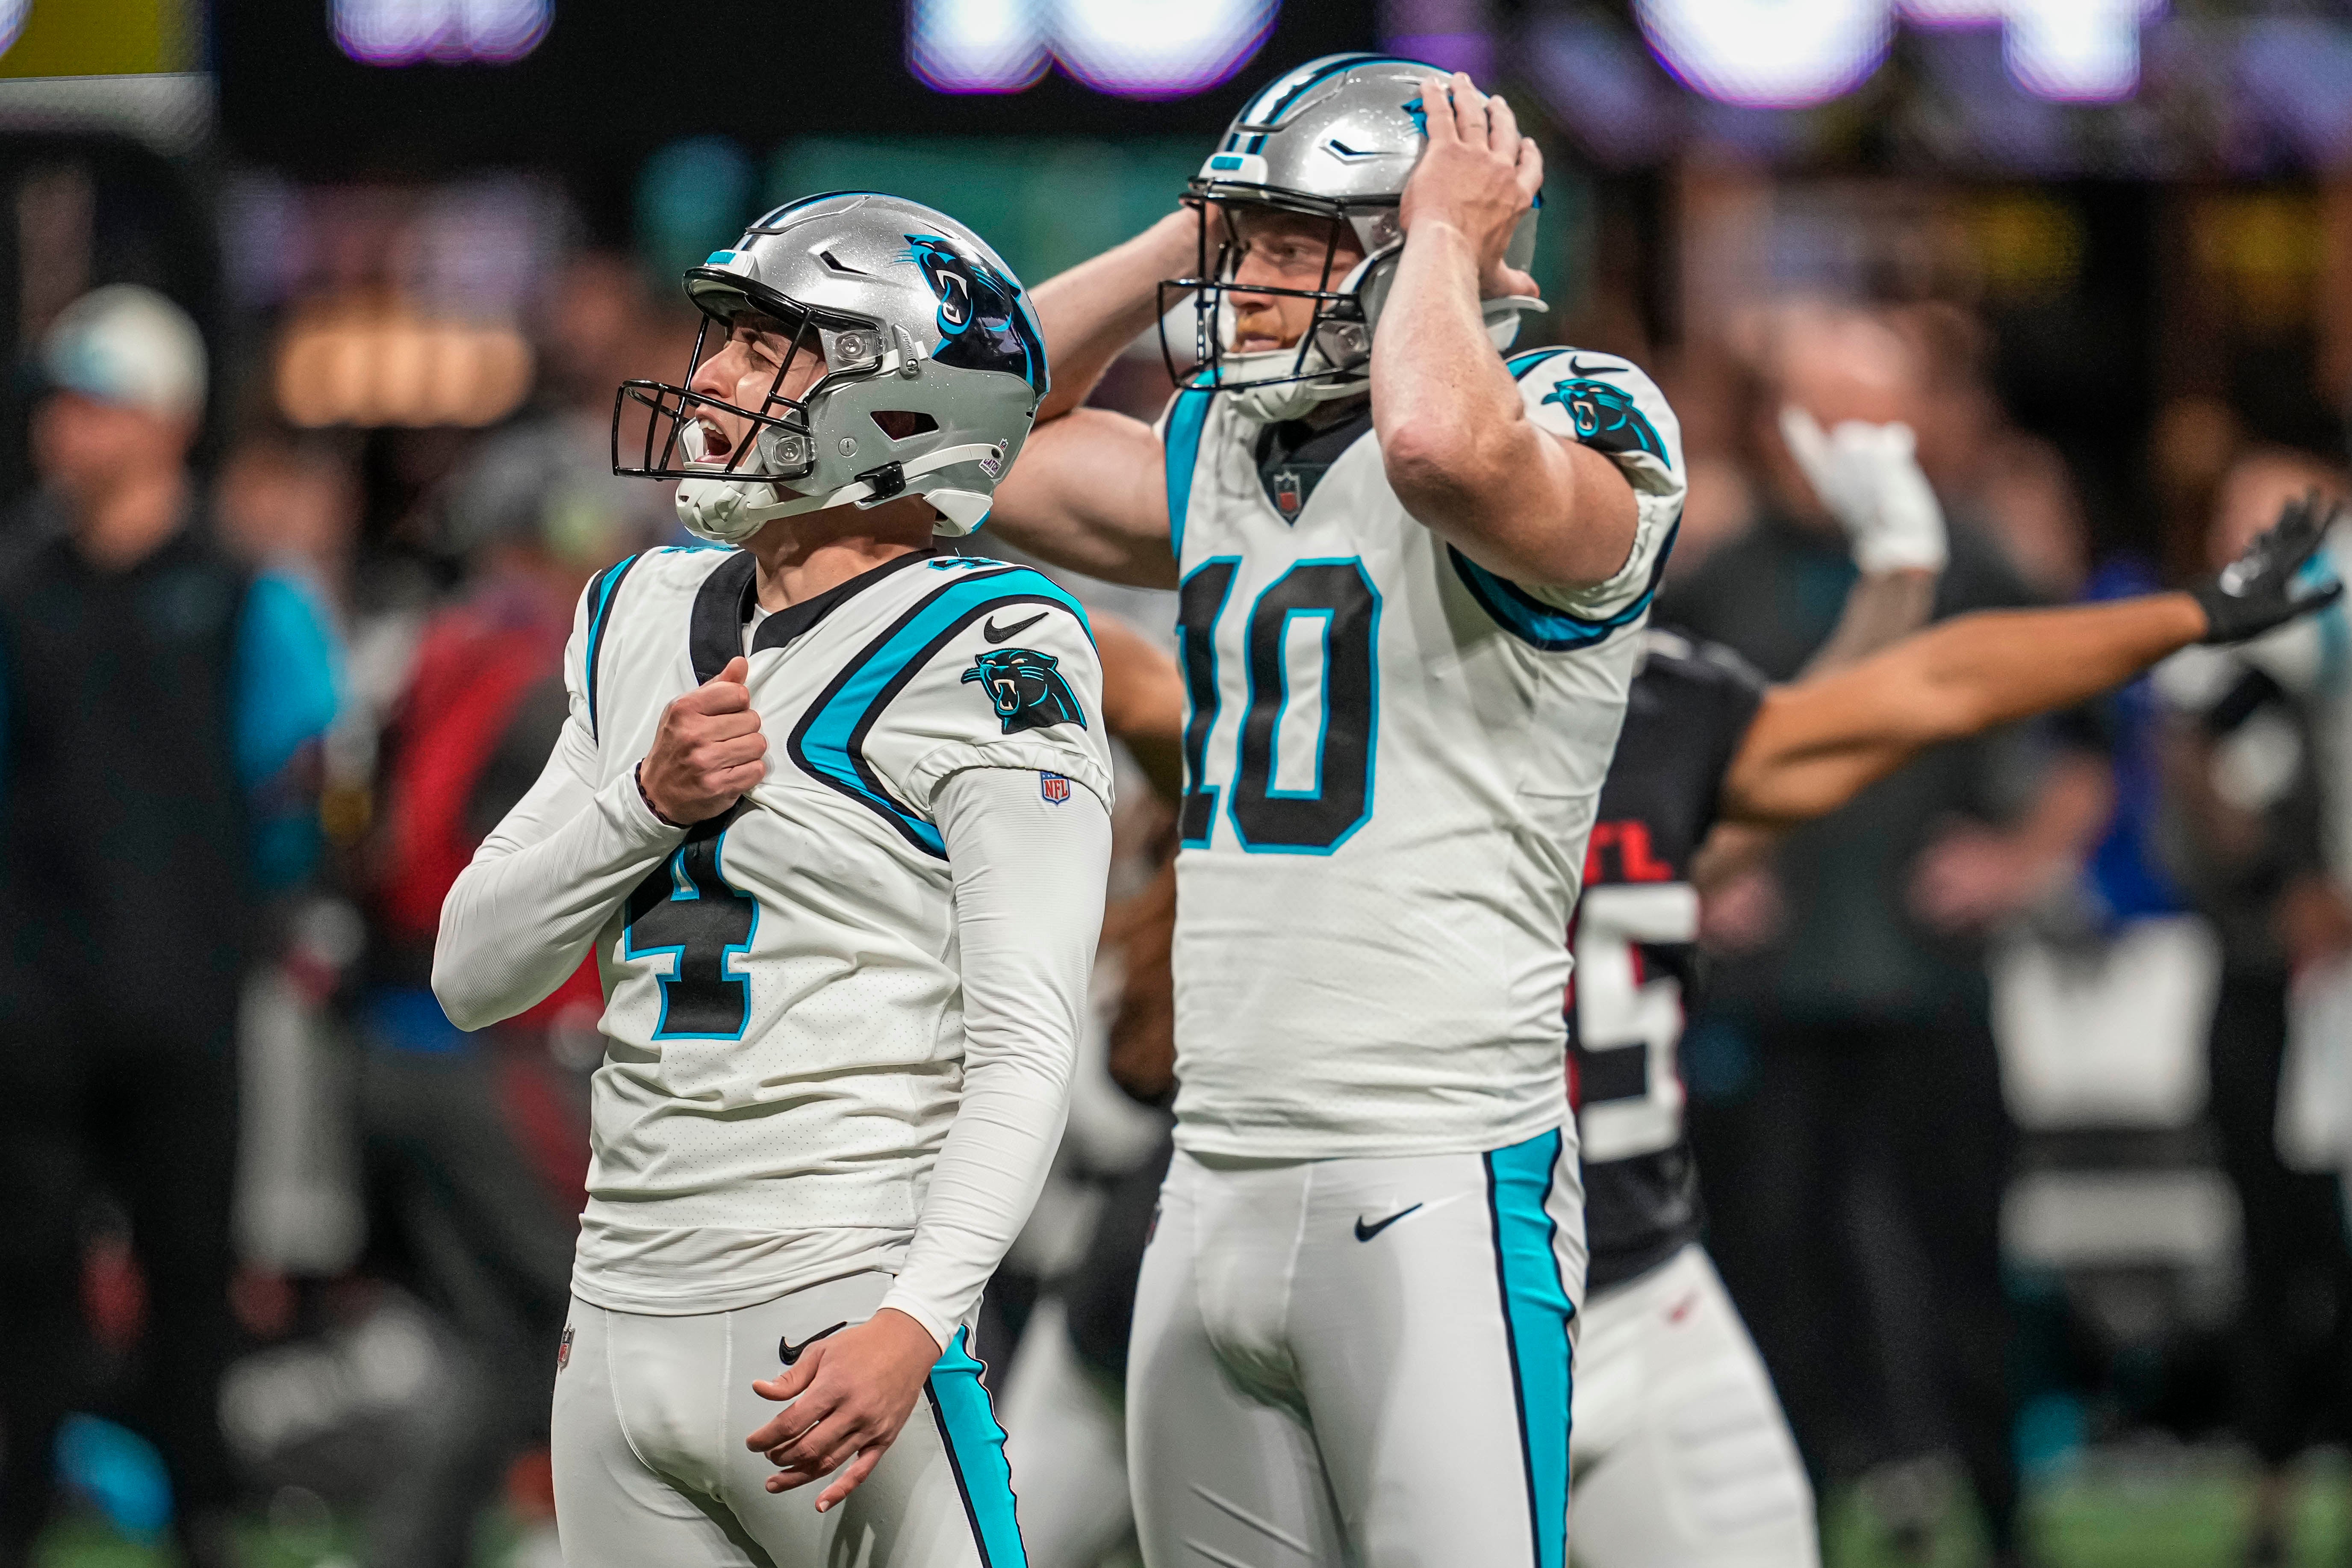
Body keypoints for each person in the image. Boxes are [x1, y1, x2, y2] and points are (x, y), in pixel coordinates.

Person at [1066, 481, 2340, 1568]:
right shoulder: (1375, 702)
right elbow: (1132, 654)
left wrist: (2179, 613)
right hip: (1419, 1247)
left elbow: (1929, 687)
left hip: (1635, 1271)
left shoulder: (1663, 706)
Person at [986, 53, 1685, 1567]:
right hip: (1212, 1171)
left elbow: (1439, 445)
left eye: (1295, 245)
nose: (1247, 288)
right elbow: (959, 443)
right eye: (1248, 244)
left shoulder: (1586, 413)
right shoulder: (1227, 450)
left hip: (1432, 1170)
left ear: (1410, 244)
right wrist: (1190, 236)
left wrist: (1445, 234)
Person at [432, 193, 1111, 1568]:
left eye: (765, 348)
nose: (709, 382)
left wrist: (919, 1314)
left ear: (899, 399)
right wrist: (643, 802)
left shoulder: (996, 646)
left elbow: (1031, 1035)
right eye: (722, 341)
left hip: (841, 1300)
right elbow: (470, 970)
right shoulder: (639, 609)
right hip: (617, 1315)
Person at [0, 285, 343, 1568]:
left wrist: (251, 929)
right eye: (62, 407)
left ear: (164, 422)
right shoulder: (18, 582)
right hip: (31, 1006)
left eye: (94, 406)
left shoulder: (245, 592)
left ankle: (200, 1522)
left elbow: (293, 786)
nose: (65, 433)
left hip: (184, 1003)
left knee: (191, 1279)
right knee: (24, 1282)